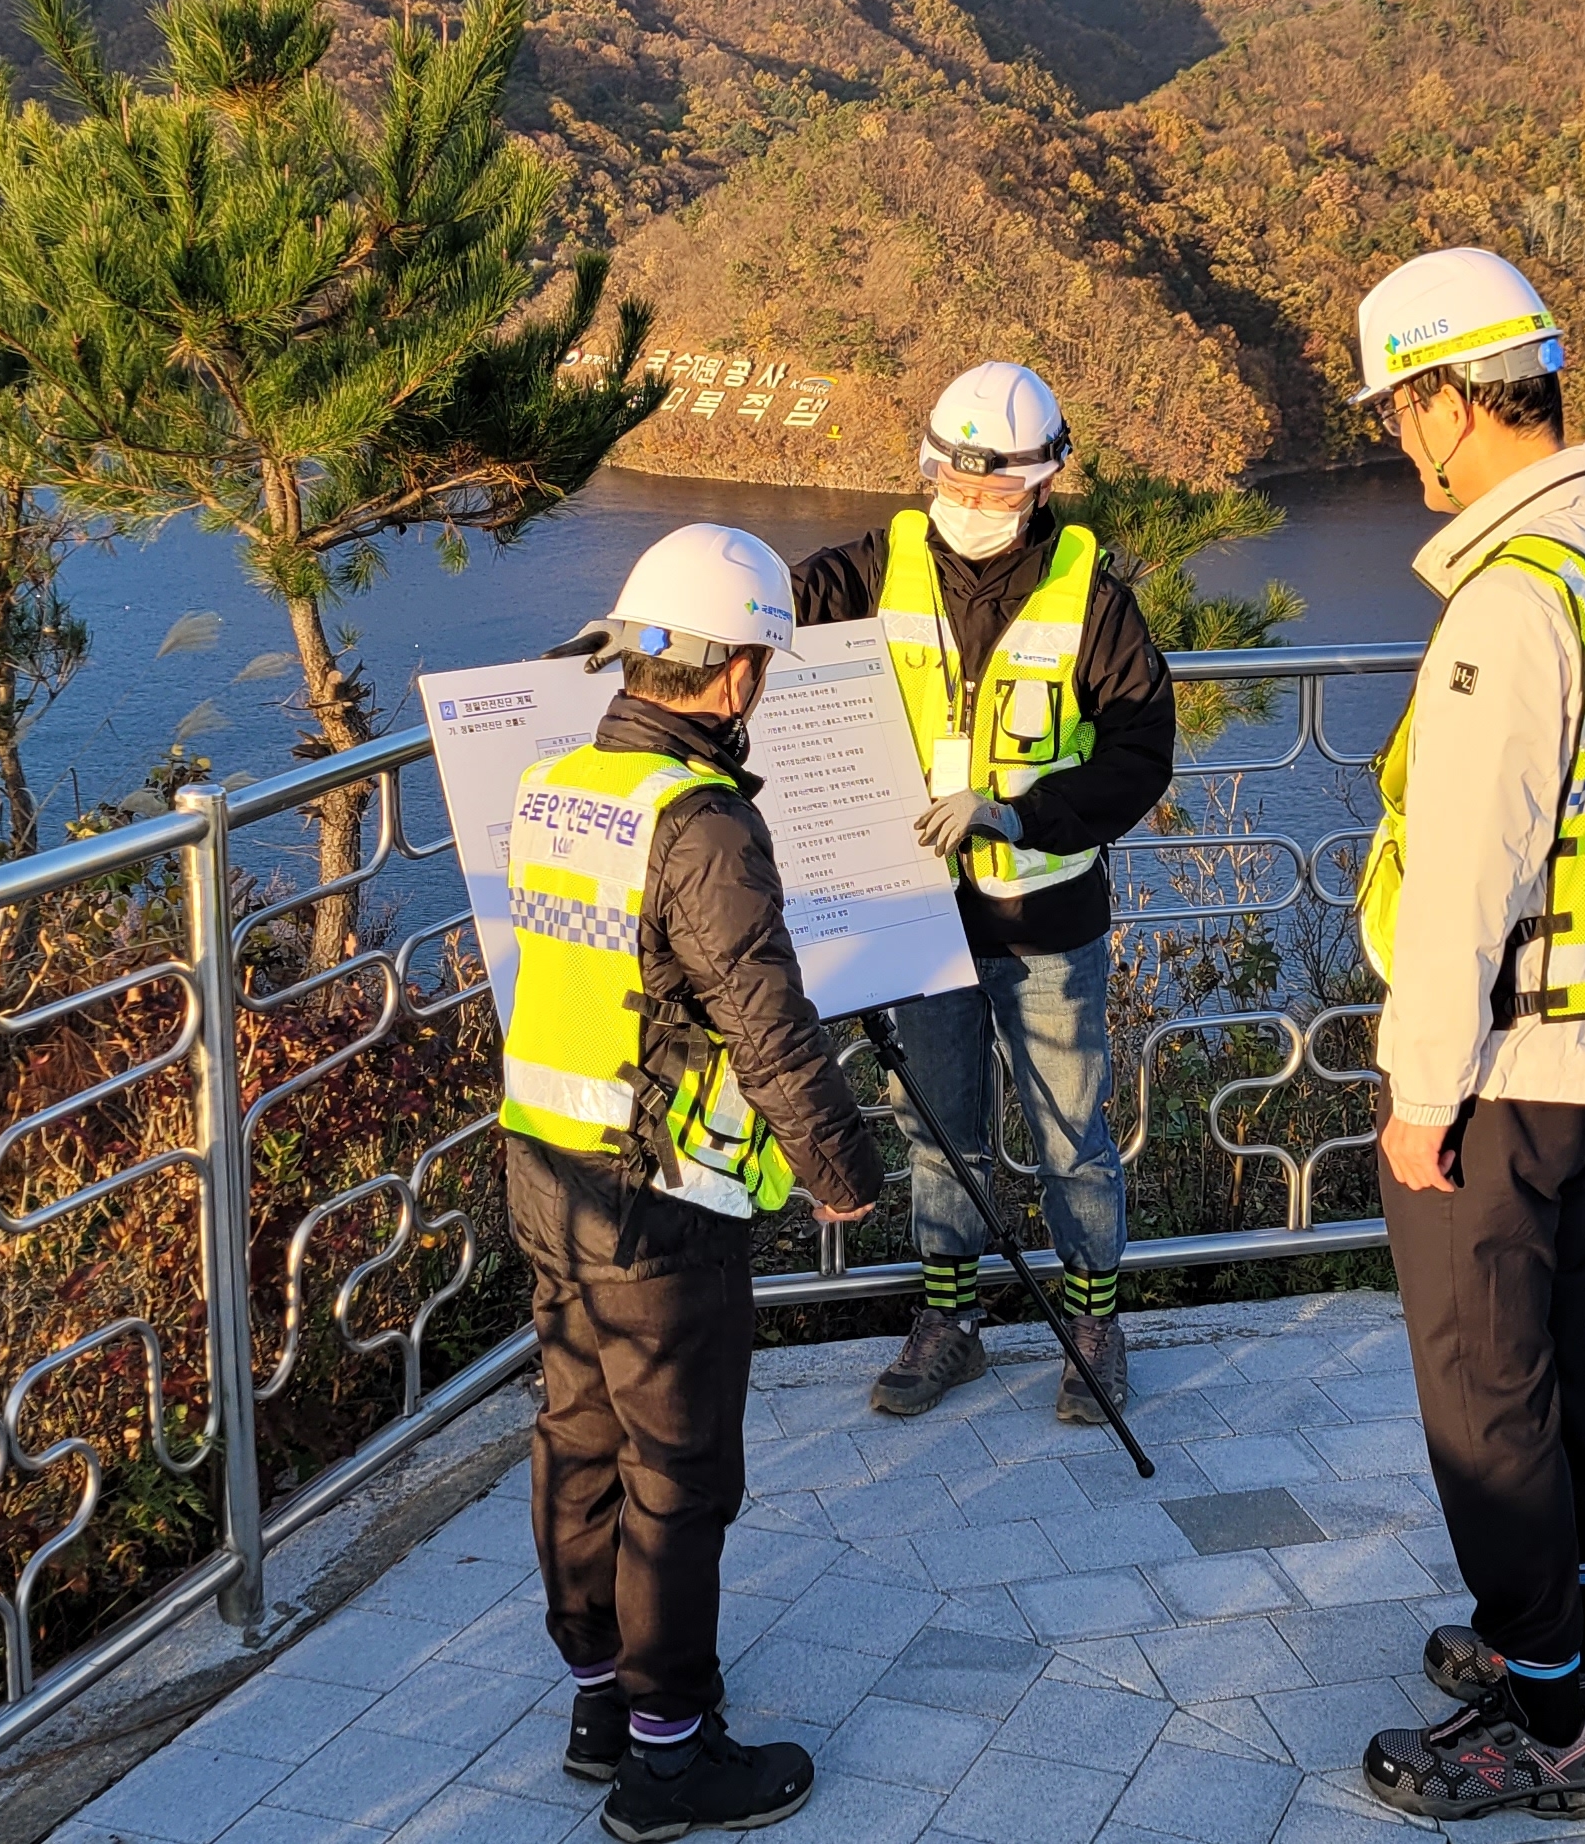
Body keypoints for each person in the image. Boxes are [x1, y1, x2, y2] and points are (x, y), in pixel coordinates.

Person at [1343, 249, 1585, 1824]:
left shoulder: (1507, 604)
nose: (1397, 445)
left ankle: (1545, 1724)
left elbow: (1466, 877)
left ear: (1446, 401)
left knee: (1484, 1397)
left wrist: (1420, 1099)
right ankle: (1581, 1644)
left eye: (1399, 411)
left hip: (1496, 1063)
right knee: (1557, 1355)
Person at [497, 524, 884, 1841]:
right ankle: (670, 1761)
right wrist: (841, 1170)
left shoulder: (558, 785)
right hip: (655, 1204)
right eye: (764, 663)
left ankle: (600, 1702)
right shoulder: (702, 827)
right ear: (732, 677)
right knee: (678, 1475)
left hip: (545, 1168)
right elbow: (766, 1024)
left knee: (578, 1443)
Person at [788, 361, 1177, 1426]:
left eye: (993, 494)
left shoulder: (1090, 600)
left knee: (1071, 1137)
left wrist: (1019, 812)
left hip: (1045, 918)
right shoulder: (874, 569)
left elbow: (1143, 748)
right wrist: (650, 633)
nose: (967, 510)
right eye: (951, 487)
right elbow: (757, 612)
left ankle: (1093, 1326)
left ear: (1046, 483)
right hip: (918, 921)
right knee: (938, 1133)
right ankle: (949, 1323)